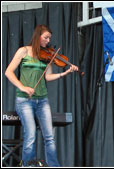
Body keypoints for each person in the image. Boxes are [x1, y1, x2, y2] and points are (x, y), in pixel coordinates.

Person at [5, 24, 79, 166]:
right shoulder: (23, 51)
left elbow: (48, 77)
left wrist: (65, 73)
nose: (48, 40)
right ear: (37, 36)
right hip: (24, 100)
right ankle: (28, 164)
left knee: (49, 137)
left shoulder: (46, 56)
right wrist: (23, 87)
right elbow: (8, 72)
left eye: (49, 38)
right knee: (31, 134)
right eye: (46, 37)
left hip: (42, 100)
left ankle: (53, 165)